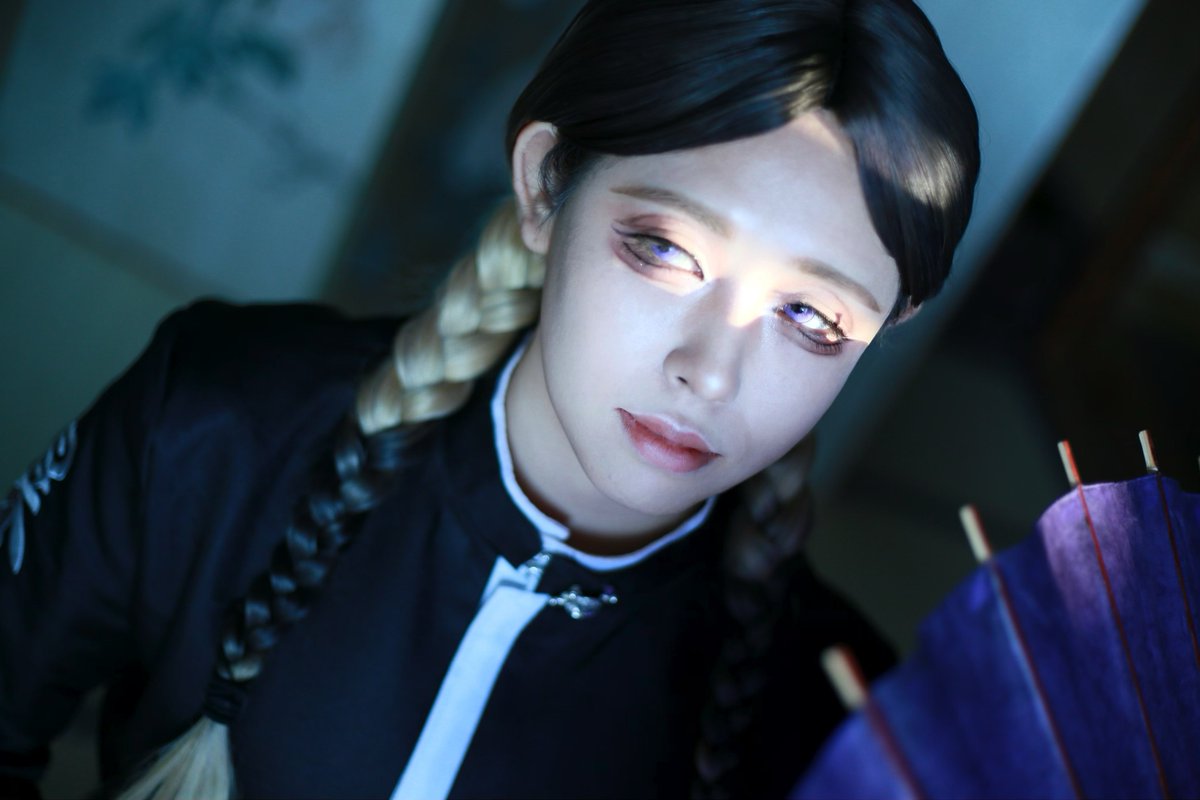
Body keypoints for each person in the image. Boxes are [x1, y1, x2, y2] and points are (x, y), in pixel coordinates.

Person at [0, 0, 979, 797]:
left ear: (886, 324)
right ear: (547, 186)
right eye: (665, 249)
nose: (711, 373)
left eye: (810, 316)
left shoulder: (841, 715)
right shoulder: (214, 425)